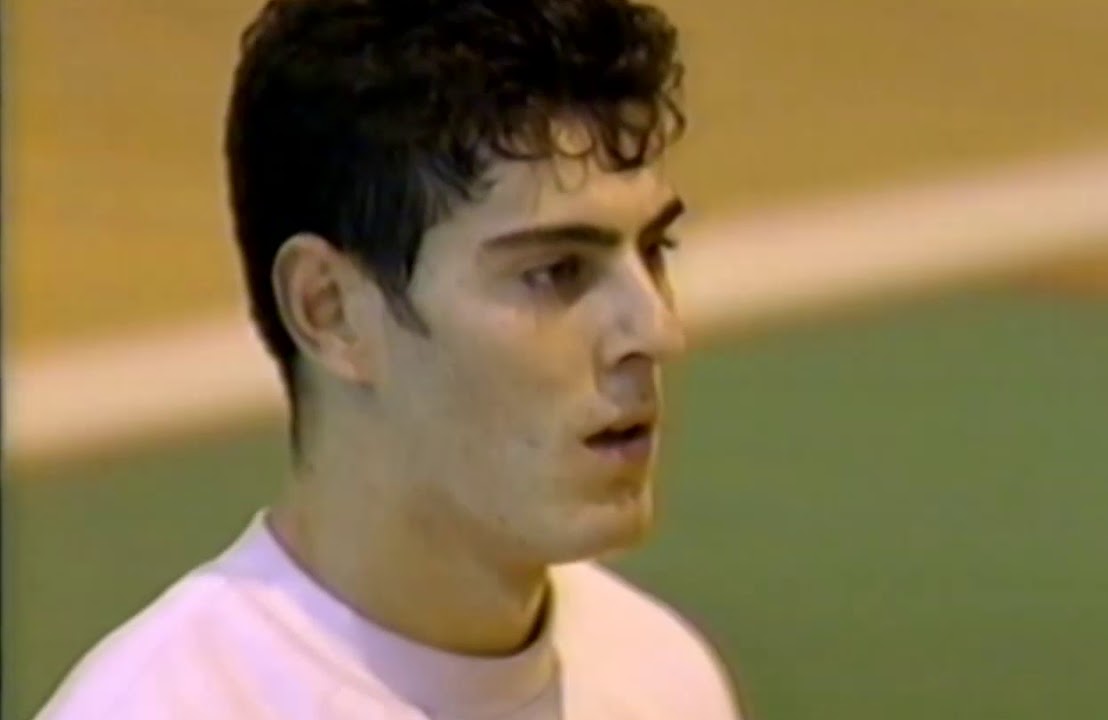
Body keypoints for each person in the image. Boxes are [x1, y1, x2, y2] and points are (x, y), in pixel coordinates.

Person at [35, 0, 743, 717]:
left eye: (655, 251)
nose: (657, 330)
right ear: (330, 311)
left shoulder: (664, 674)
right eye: (555, 272)